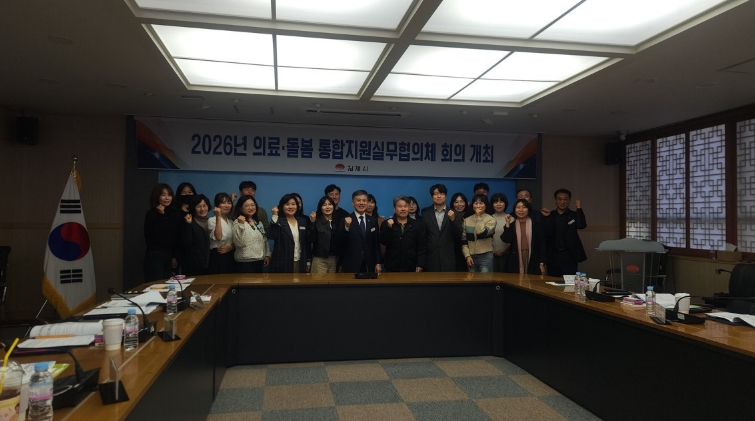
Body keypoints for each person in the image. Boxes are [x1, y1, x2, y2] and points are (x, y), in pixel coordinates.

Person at [542, 188, 587, 277]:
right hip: (553, 254)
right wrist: (546, 217)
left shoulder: (574, 215)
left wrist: (579, 208)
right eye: (559, 199)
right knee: (553, 280)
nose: (562, 202)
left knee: (570, 281)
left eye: (565, 199)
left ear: (569, 200)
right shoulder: (550, 215)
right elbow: (545, 232)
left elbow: (581, 225)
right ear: (555, 200)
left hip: (569, 254)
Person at [336, 190, 382, 273]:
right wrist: (346, 227)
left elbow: (376, 244)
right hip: (351, 264)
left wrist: (378, 263)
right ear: (353, 203)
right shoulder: (345, 220)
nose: (361, 203)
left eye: (364, 200)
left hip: (369, 264)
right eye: (358, 200)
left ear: (367, 203)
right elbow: (339, 242)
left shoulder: (372, 221)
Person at [421, 184, 464, 272]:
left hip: (448, 257)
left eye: (442, 193)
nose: (439, 196)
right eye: (436, 194)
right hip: (431, 257)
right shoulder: (425, 212)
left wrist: (453, 220)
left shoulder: (455, 213)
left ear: (446, 196)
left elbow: (458, 234)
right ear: (432, 197)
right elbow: (423, 237)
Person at [143, 183, 181, 282]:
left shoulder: (173, 213)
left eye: (169, 195)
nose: (167, 198)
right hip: (154, 254)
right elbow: (153, 236)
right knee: (155, 284)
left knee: (166, 284)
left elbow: (173, 236)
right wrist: (161, 215)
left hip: (168, 255)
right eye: (163, 195)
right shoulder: (152, 213)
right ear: (157, 196)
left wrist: (174, 256)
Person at [380, 196, 426, 272]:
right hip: (392, 266)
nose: (403, 209)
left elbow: (422, 246)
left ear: (408, 208)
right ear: (394, 209)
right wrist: (389, 228)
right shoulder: (386, 223)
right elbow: (383, 241)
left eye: (405, 206)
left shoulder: (417, 224)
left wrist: (420, 264)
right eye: (400, 206)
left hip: (412, 266)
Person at [501, 199, 547, 275]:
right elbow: (506, 239)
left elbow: (542, 245)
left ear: (528, 210)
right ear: (514, 210)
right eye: (518, 207)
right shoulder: (512, 226)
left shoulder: (536, 225)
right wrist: (507, 224)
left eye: (524, 207)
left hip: (533, 257)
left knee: (531, 279)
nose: (521, 210)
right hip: (516, 258)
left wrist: (542, 262)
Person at [269, 194, 310, 273]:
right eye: (287, 204)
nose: (291, 207)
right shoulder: (278, 221)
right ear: (282, 207)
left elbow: (306, 243)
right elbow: (272, 235)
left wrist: (308, 261)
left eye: (293, 204)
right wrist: (274, 216)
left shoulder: (302, 221)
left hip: (300, 261)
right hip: (282, 263)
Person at [232, 194, 270, 273]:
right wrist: (241, 225)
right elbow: (238, 243)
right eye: (246, 206)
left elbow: (264, 239)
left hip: (259, 260)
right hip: (245, 263)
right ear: (240, 208)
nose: (250, 208)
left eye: (252, 205)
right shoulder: (237, 222)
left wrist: (267, 254)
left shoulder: (258, 223)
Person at [462, 194, 497, 272]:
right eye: (476, 203)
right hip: (471, 256)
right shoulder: (467, 220)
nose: (478, 206)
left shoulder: (491, 220)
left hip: (485, 256)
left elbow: (481, 233)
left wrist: (478, 217)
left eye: (481, 203)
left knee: (485, 279)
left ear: (486, 205)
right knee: (472, 279)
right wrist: (467, 256)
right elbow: (464, 241)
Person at [179, 194, 211, 276]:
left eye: (204, 206)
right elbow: (186, 243)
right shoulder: (189, 222)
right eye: (198, 206)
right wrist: (188, 225)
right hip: (193, 267)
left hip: (210, 266)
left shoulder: (212, 222)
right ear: (193, 208)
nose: (202, 209)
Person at [308, 196, 339, 273]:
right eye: (324, 205)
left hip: (334, 259)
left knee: (332, 281)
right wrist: (312, 222)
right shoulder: (316, 221)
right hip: (319, 260)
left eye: (330, 204)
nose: (327, 207)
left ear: (333, 206)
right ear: (320, 208)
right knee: (319, 281)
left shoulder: (337, 222)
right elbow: (310, 239)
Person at [207, 192, 235, 274]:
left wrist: (231, 247)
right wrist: (218, 217)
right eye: (223, 203)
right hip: (218, 255)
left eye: (229, 203)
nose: (227, 205)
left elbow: (235, 240)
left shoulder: (231, 222)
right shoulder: (212, 220)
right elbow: (219, 237)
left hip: (230, 255)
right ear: (217, 205)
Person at [490, 193, 511, 272]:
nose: (498, 204)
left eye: (501, 202)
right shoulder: (488, 218)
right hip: (490, 254)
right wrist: (493, 251)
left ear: (505, 204)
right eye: (496, 202)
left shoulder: (511, 219)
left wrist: (503, 250)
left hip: (507, 255)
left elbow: (513, 239)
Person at [450, 192, 471, 270]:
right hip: (454, 250)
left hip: (470, 250)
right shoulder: (448, 216)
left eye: (462, 201)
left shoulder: (471, 215)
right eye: (456, 202)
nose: (459, 204)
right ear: (452, 204)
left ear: (466, 203)